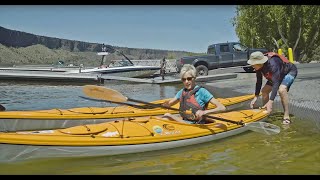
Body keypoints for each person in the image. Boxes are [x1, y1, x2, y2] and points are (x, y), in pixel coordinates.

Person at [162, 64, 226, 124]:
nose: (186, 82)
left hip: (196, 124)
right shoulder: (182, 92)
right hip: (185, 122)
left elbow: (222, 108)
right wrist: (166, 104)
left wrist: (204, 112)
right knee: (165, 116)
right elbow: (170, 103)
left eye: (189, 79)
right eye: (184, 79)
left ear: (194, 78)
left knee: (168, 115)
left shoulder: (202, 91)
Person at [247, 51, 298, 125]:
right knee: (264, 91)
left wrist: (270, 101)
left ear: (260, 62)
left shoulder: (273, 64)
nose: (252, 66)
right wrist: (256, 96)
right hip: (277, 75)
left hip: (289, 71)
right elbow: (259, 81)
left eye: (253, 64)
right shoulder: (258, 67)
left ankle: (286, 116)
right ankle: (267, 111)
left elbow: (276, 83)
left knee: (282, 90)